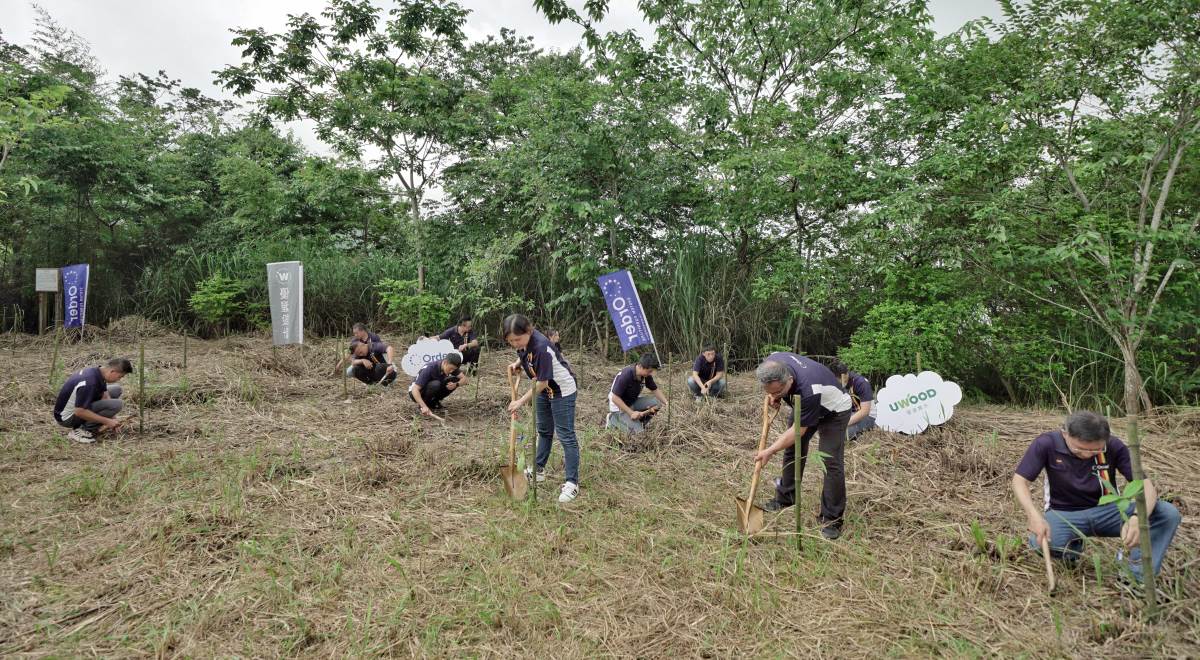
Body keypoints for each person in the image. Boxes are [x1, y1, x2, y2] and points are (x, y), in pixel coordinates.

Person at [1011, 410, 1181, 584]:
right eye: (1080, 449)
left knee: (1167, 514)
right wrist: (1034, 516)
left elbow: (1145, 486)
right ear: (1065, 434)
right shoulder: (1046, 444)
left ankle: (1135, 577)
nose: (1087, 455)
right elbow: (1020, 481)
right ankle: (1071, 550)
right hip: (1065, 513)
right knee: (1041, 541)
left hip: (1108, 511)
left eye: (1095, 450)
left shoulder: (1114, 446)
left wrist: (1138, 517)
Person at [752, 352, 853, 539]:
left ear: (789, 380)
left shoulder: (809, 389)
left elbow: (798, 431)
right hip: (805, 405)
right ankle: (786, 497)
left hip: (834, 411)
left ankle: (832, 519)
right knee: (792, 450)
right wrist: (776, 396)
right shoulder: (773, 362)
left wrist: (770, 450)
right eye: (769, 391)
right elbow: (777, 390)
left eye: (777, 392)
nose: (772, 396)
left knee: (829, 461)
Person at [504, 313, 581, 503]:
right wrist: (518, 363)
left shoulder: (541, 347)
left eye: (517, 339)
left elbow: (542, 382)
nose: (515, 344)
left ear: (529, 331)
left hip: (561, 390)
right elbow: (526, 357)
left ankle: (572, 483)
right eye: (511, 341)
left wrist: (520, 401)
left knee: (565, 435)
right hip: (544, 390)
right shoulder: (524, 344)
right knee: (544, 431)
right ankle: (538, 470)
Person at [53, 357, 133, 444]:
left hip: (77, 407)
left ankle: (86, 425)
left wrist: (113, 418)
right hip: (67, 418)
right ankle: (82, 431)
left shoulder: (99, 372)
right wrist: (107, 421)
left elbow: (105, 396)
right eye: (120, 376)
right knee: (117, 404)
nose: (119, 379)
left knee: (116, 389)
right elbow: (79, 412)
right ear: (112, 371)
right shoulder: (89, 383)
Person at [606, 353, 669, 434]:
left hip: (633, 402)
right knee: (639, 434)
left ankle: (638, 421)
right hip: (619, 408)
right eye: (649, 371)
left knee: (658, 403)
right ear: (640, 366)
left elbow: (655, 389)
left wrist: (667, 403)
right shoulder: (626, 375)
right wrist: (631, 413)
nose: (650, 374)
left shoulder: (646, 375)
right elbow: (614, 398)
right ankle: (613, 419)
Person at [830, 361, 876, 440]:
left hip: (868, 416)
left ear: (844, 375)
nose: (836, 383)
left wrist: (844, 423)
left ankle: (861, 432)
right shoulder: (838, 383)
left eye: (837, 380)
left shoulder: (861, 383)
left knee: (842, 434)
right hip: (850, 413)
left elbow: (865, 411)